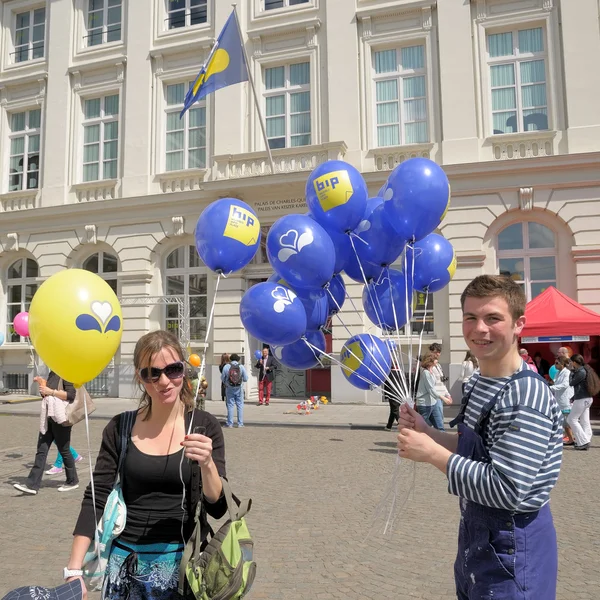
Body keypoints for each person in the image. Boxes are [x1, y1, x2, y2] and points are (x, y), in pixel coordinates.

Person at [397, 274, 562, 599]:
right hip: (478, 536)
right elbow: (473, 448)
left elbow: (508, 489)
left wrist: (431, 453)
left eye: (493, 318)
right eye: (471, 317)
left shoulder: (525, 395)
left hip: (514, 545)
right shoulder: (477, 384)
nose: (479, 328)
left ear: (519, 324)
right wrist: (427, 431)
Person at [64, 330, 227, 599]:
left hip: (184, 570)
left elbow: (217, 507)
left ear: (184, 371)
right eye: (152, 373)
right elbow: (96, 497)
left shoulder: (204, 425)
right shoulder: (121, 426)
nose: (164, 381)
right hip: (125, 568)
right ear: (141, 378)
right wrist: (74, 569)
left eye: (173, 370)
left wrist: (207, 463)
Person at [13, 371, 80, 495]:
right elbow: (47, 396)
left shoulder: (66, 373)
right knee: (41, 451)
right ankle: (31, 484)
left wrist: (51, 392)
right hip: (48, 418)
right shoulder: (52, 373)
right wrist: (43, 386)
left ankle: (72, 481)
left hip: (61, 419)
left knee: (64, 450)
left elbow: (71, 395)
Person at [567, 354, 593, 451]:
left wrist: (570, 372)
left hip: (582, 399)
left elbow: (571, 383)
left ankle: (583, 441)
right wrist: (574, 397)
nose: (570, 364)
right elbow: (581, 386)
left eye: (570, 362)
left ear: (574, 362)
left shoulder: (580, 372)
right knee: (584, 421)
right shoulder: (584, 370)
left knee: (571, 419)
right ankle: (585, 440)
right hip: (586, 398)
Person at [414, 355, 445, 430]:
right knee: (423, 427)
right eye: (435, 359)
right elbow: (431, 389)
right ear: (430, 361)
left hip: (433, 402)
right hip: (424, 404)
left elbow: (436, 384)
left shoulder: (432, 371)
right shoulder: (425, 373)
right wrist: (443, 397)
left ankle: (442, 440)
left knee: (439, 425)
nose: (437, 360)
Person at [550, 356, 575, 445]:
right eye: (555, 363)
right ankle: (571, 439)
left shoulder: (567, 373)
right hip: (558, 400)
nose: (555, 365)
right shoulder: (558, 373)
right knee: (564, 422)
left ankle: (573, 438)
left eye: (557, 363)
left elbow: (565, 385)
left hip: (565, 400)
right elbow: (555, 381)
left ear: (562, 364)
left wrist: (552, 387)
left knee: (567, 422)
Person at [221, 353, 248, 428]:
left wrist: (226, 383)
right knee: (240, 405)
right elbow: (245, 378)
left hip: (229, 388)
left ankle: (230, 423)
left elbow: (223, 378)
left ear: (231, 359)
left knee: (230, 405)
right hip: (239, 389)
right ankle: (240, 423)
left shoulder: (226, 366)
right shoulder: (241, 367)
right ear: (238, 359)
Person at [384, 357, 404, 431]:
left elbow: (386, 385)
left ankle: (401, 424)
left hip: (392, 394)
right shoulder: (400, 373)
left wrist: (386, 394)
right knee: (393, 410)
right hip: (399, 394)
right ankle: (389, 426)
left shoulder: (389, 373)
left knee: (395, 411)